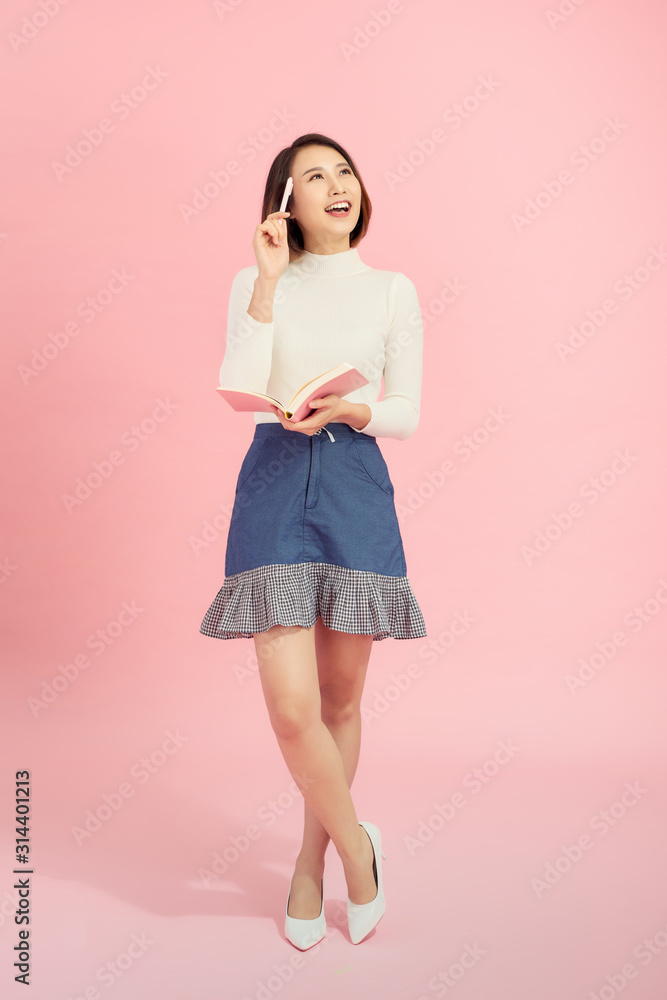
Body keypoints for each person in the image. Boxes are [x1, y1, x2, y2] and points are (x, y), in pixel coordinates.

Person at [199, 133, 427, 948]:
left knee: (339, 700)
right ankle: (359, 852)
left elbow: (405, 407)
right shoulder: (254, 281)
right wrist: (265, 283)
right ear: (283, 204)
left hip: (354, 483)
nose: (336, 186)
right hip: (272, 481)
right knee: (294, 710)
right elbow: (242, 384)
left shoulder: (393, 290)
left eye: (344, 172)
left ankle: (308, 862)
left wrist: (354, 410)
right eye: (313, 177)